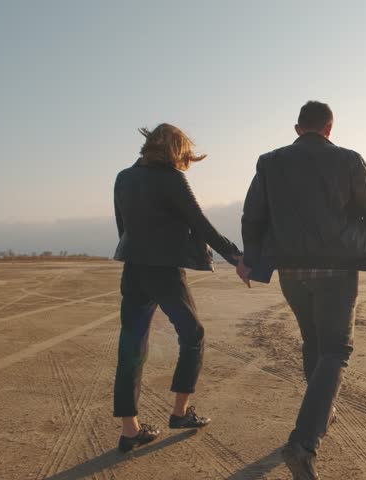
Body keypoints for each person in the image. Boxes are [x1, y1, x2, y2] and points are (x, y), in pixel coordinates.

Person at [239, 101, 366, 479]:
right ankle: (303, 442)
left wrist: (249, 256)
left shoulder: (270, 161)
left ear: (298, 129)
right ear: (329, 127)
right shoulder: (348, 159)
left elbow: (253, 213)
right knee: (337, 349)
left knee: (313, 342)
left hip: (291, 269)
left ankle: (320, 414)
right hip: (337, 268)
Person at [112, 123, 243, 453]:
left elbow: (122, 227)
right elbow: (200, 223)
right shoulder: (172, 179)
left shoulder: (123, 178)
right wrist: (236, 255)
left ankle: (130, 431)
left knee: (131, 347)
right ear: (175, 150)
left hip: (134, 270)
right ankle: (180, 412)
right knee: (193, 335)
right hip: (165, 273)